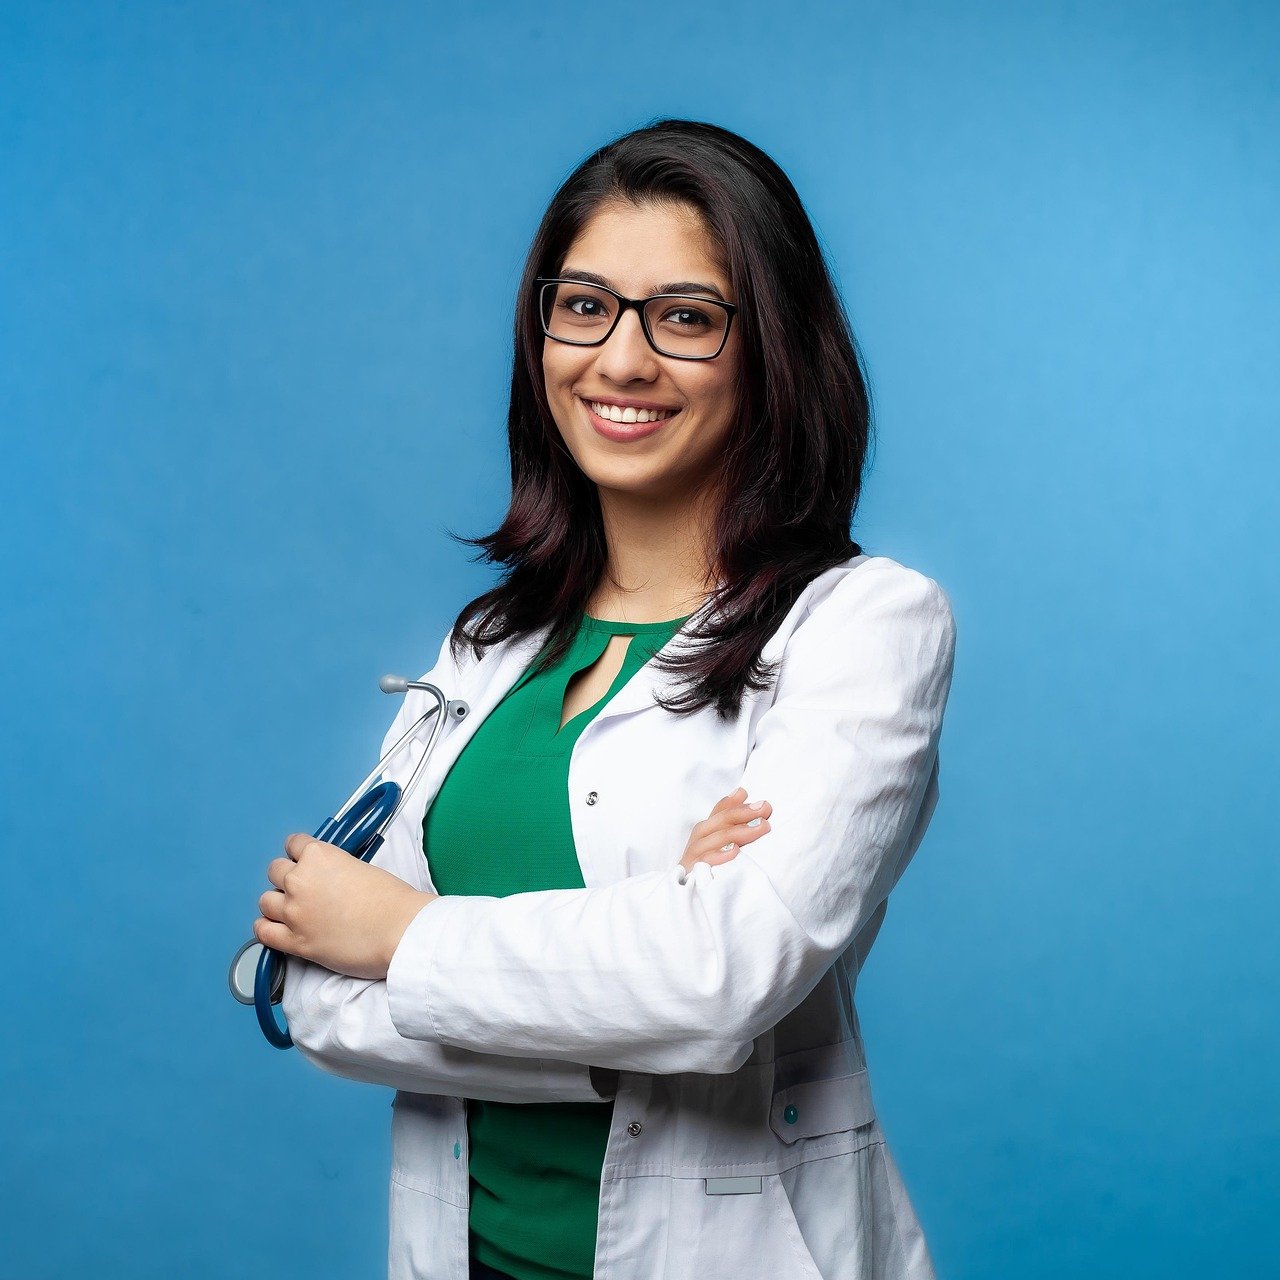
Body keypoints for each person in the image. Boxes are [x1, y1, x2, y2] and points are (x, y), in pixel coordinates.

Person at [253, 118, 957, 1280]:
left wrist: (400, 934)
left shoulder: (863, 623)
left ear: (771, 346)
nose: (620, 361)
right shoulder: (486, 646)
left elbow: (720, 978)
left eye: (683, 316)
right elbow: (308, 993)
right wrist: (637, 970)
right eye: (583, 306)